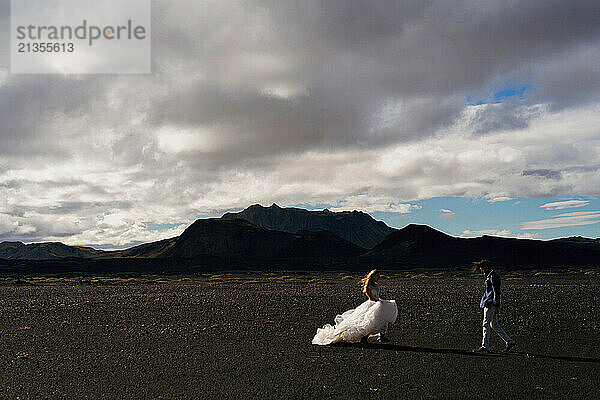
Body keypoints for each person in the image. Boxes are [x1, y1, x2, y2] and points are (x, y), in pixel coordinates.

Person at [312, 269, 398, 345]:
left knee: (383, 318)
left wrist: (382, 300)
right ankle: (365, 337)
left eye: (378, 276)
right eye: (376, 275)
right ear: (373, 276)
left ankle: (382, 335)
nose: (378, 277)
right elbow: (370, 296)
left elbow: (378, 295)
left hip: (377, 302)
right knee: (369, 321)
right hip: (372, 303)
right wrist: (376, 301)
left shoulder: (376, 285)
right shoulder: (369, 285)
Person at [472, 260, 516, 353]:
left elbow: (496, 292)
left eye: (482, 269)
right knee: (494, 324)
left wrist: (496, 305)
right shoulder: (491, 276)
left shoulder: (492, 277)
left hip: (490, 303)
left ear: (487, 267)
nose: (482, 271)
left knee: (486, 323)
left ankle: (485, 346)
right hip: (490, 303)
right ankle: (509, 341)